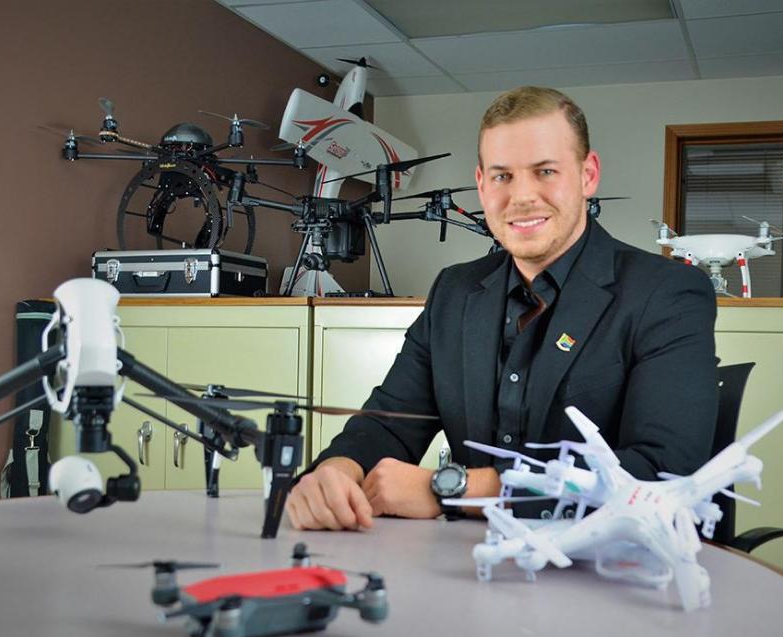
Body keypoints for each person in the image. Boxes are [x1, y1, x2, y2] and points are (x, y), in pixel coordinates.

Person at [285, 86, 718, 531]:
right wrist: (336, 471)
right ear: (480, 183)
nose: (522, 196)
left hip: (605, 568)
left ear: (588, 175)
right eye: (502, 176)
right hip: (469, 565)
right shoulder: (454, 291)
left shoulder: (667, 293)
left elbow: (662, 470)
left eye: (545, 171)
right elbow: (390, 422)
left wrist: (454, 489)